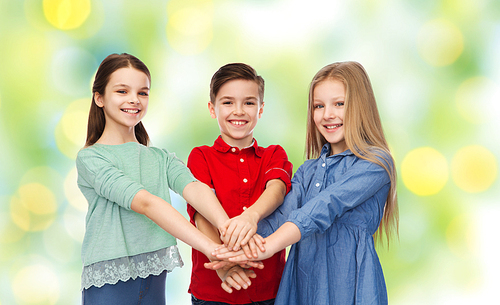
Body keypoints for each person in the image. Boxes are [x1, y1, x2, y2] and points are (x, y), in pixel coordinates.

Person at [212, 61, 399, 305]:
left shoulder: (375, 163)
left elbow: (324, 206)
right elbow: (281, 216)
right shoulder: (307, 170)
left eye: (339, 104)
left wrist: (266, 247)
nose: (327, 114)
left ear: (361, 106)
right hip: (303, 282)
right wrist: (235, 247)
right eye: (318, 106)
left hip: (349, 285)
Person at [76, 53, 231, 304]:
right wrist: (211, 249)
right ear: (99, 98)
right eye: (122, 91)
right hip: (109, 287)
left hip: (154, 280)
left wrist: (227, 228)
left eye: (143, 92)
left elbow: (194, 188)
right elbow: (147, 204)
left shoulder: (160, 158)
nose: (134, 100)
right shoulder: (91, 158)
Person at [186, 63, 293, 305]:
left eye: (249, 102)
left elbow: (276, 189)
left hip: (268, 288)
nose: (239, 111)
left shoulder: (274, 154)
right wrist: (224, 265)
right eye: (227, 102)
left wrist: (250, 217)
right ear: (212, 109)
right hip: (212, 289)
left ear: (261, 109)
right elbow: (200, 214)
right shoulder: (201, 156)